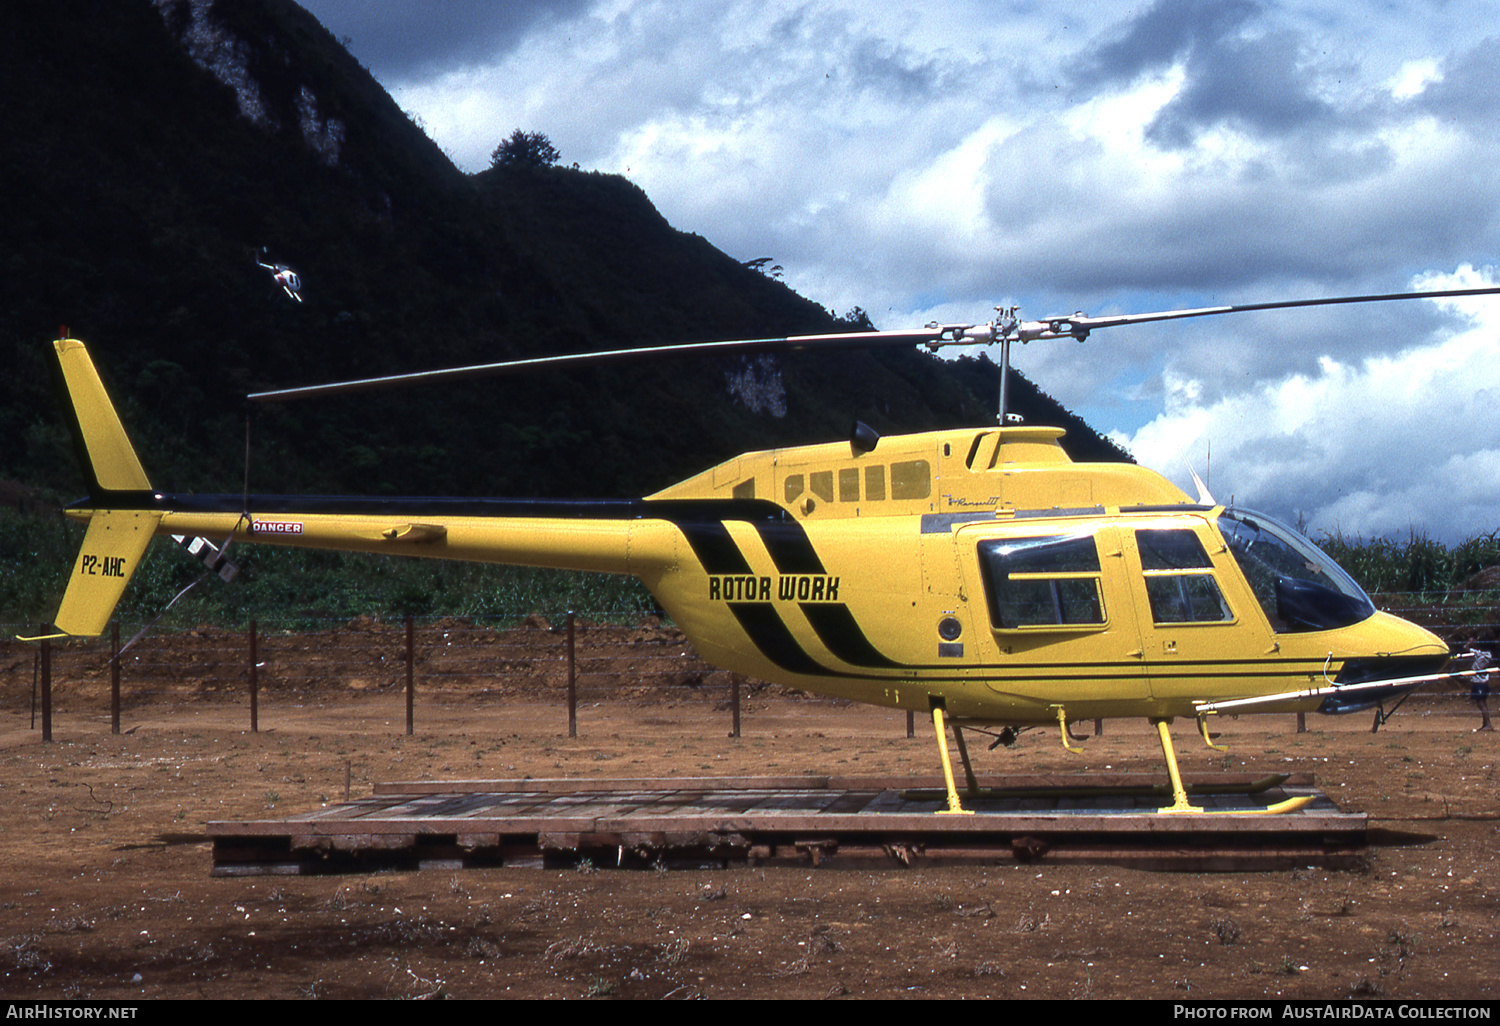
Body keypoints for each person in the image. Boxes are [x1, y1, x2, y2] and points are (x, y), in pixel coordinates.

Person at [1456, 639, 1493, 731]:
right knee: (1481, 703)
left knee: (1481, 703)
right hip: (1479, 682)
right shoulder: (1481, 653)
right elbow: (1466, 648)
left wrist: (1470, 642)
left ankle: (1488, 724)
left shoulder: (1485, 655)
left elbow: (1466, 647)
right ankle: (1486, 724)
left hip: (1480, 682)